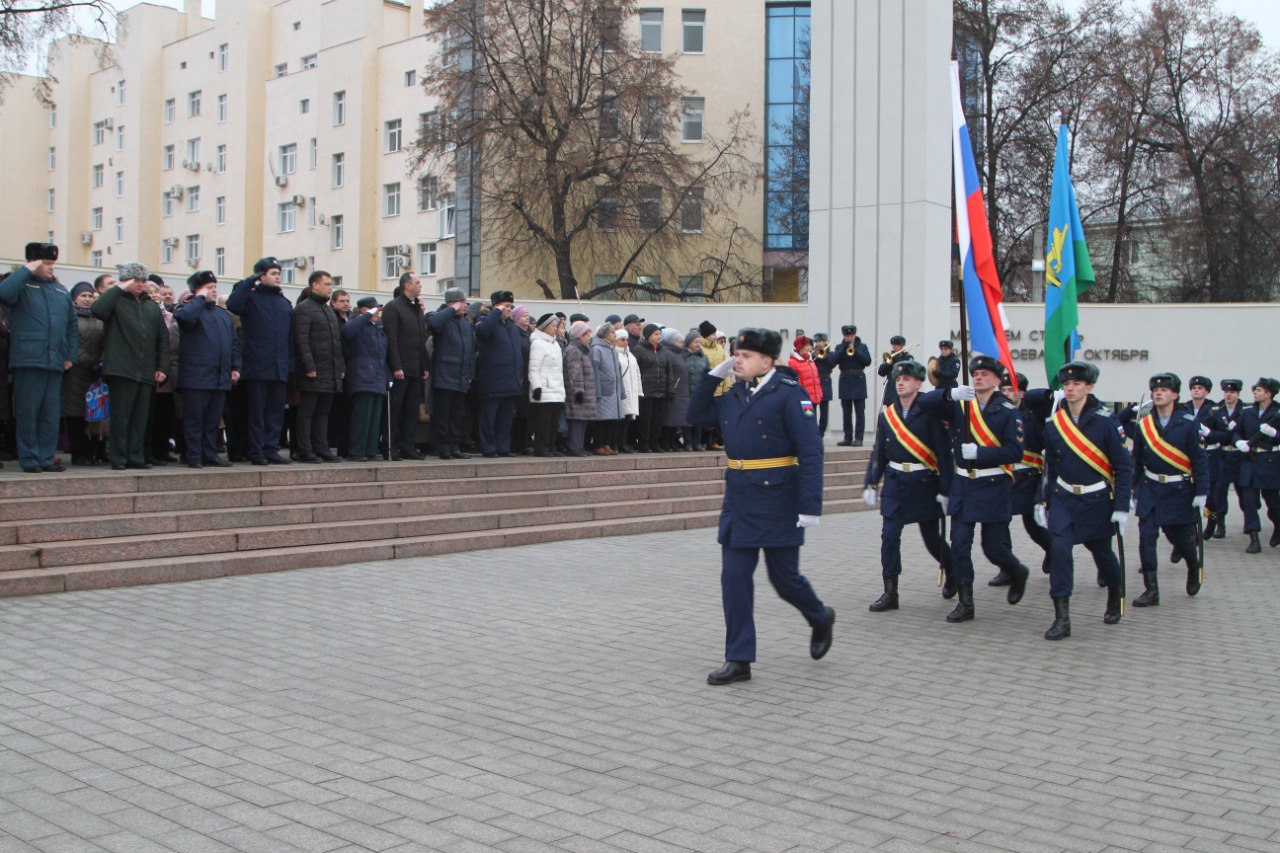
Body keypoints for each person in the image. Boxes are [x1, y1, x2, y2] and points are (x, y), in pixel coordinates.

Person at [687, 327, 834, 685]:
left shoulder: (789, 394)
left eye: (745, 356)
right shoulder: (735, 392)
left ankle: (820, 616)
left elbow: (811, 452)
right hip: (740, 498)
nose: (737, 360)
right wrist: (713, 375)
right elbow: (695, 416)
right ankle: (738, 658)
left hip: (779, 497)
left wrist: (810, 505)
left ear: (766, 361)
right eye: (736, 354)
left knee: (784, 581)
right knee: (734, 580)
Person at [915, 355, 1030, 623]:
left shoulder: (1008, 411)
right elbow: (925, 403)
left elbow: (1015, 451)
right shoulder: (961, 404)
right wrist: (949, 394)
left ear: (997, 380)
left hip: (993, 485)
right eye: (976, 374)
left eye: (985, 374)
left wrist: (981, 453)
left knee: (993, 548)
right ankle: (966, 603)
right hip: (964, 485)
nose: (978, 378)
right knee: (959, 545)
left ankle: (1017, 571)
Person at [1035, 362, 1132, 640]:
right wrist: (1041, 500)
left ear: (1089, 387)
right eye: (1067, 384)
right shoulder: (1055, 424)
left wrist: (1122, 506)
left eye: (1077, 384)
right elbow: (1049, 467)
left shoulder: (1107, 422)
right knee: (1060, 550)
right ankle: (1061, 617)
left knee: (1101, 552)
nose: (1070, 388)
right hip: (1064, 498)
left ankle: (1114, 590)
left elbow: (1123, 467)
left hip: (1097, 499)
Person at [861, 359, 954, 612]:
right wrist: (871, 482)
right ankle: (890, 592)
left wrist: (946, 490)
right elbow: (879, 453)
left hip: (924, 484)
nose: (900, 383)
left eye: (906, 379)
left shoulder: (930, 413)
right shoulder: (887, 416)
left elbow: (944, 455)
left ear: (918, 383)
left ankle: (953, 571)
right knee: (889, 537)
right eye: (898, 379)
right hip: (895, 484)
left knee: (932, 539)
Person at [1130, 372, 1208, 605]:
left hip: (1178, 490)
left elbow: (1200, 460)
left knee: (1181, 538)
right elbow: (1137, 460)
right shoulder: (1144, 424)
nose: (1158, 393)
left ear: (1174, 395)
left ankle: (1193, 565)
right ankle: (1151, 590)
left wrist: (1202, 492)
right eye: (1155, 390)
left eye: (1164, 390)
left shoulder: (1189, 423)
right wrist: (1133, 490)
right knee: (1146, 538)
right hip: (1150, 488)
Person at [0, 243, 77, 473]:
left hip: (54, 361)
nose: (51, 268)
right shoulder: (22, 286)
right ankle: (29, 458)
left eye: (53, 263)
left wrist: (69, 355)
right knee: (28, 412)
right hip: (29, 359)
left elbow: (71, 326)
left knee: (50, 415)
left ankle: (46, 457)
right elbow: (3, 293)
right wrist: (27, 269)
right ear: (34, 263)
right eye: (46, 263)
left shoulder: (60, 291)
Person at [91, 263, 170, 471]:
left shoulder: (151, 307)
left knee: (140, 419)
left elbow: (162, 340)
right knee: (121, 417)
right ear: (125, 281)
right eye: (136, 280)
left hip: (145, 370)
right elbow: (97, 310)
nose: (140, 284)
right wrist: (119, 289)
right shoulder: (116, 301)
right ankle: (118, 457)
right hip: (121, 369)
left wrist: (162, 367)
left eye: (143, 280)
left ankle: (135, 456)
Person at [226, 257, 294, 465]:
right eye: (273, 273)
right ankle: (256, 451)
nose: (278, 277)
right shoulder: (251, 298)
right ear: (261, 276)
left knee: (275, 412)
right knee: (257, 412)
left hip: (279, 366)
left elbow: (290, 338)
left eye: (279, 273)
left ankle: (271, 449)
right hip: (257, 366)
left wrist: (290, 364)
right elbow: (233, 303)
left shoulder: (284, 303)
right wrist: (251, 280)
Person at [989, 371, 1054, 585]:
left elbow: (1042, 398)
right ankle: (1007, 568)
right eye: (1003, 390)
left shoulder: (1034, 413)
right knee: (1000, 523)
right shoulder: (996, 412)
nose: (1006, 394)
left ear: (1022, 393)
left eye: (1011, 390)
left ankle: (1052, 550)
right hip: (1004, 475)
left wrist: (1048, 395)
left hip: (1029, 477)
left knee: (1033, 525)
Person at [173, 271, 239, 467]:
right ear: (198, 291)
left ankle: (209, 453)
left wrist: (235, 366)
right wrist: (199, 299)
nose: (214, 290)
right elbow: (185, 318)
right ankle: (194, 455)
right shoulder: (187, 309)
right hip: (196, 377)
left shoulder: (222, 314)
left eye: (215, 287)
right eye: (209, 287)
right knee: (194, 418)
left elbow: (232, 344)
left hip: (219, 377)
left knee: (213, 419)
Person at [292, 270, 345, 463]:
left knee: (323, 412)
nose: (331, 288)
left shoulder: (328, 310)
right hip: (313, 371)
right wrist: (309, 366)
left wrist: (340, 367)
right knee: (307, 412)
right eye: (327, 284)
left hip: (329, 370)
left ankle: (322, 448)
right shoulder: (304, 308)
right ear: (315, 285)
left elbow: (336, 343)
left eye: (331, 284)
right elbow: (302, 341)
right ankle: (304, 450)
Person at [382, 273, 430, 460]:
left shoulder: (416, 308)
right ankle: (391, 446)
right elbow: (391, 339)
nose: (420, 285)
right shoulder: (393, 307)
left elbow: (421, 339)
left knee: (412, 410)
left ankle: (408, 446)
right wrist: (396, 366)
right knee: (396, 410)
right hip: (401, 369)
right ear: (407, 286)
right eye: (417, 283)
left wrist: (425, 365)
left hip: (416, 368)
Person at [427, 287, 477, 460]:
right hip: (445, 375)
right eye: (462, 302)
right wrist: (450, 309)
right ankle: (442, 447)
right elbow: (433, 325)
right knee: (443, 414)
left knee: (457, 415)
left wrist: (470, 374)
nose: (465, 305)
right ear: (453, 303)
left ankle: (454, 446)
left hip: (461, 376)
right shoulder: (440, 317)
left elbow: (470, 351)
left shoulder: (464, 323)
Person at [475, 290, 524, 458]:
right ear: (496, 306)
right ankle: (488, 447)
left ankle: (503, 447)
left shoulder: (511, 327)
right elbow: (483, 332)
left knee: (506, 418)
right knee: (489, 417)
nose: (509, 309)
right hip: (493, 380)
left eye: (511, 306)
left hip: (511, 380)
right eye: (506, 306)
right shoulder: (486, 322)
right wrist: (496, 312)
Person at [341, 297, 390, 462]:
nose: (377, 313)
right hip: (362, 376)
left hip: (378, 377)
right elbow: (347, 331)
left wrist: (387, 376)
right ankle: (357, 450)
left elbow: (382, 355)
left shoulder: (377, 328)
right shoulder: (356, 324)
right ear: (364, 310)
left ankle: (370, 450)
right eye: (374, 309)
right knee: (362, 416)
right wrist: (366, 316)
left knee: (374, 418)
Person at [1236, 377, 1280, 554]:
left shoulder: (1278, 412)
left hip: (1270, 461)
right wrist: (1238, 442)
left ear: (1268, 394)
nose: (1255, 392)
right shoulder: (1248, 413)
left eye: (1259, 390)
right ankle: (1254, 537)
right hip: (1250, 459)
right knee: (1248, 501)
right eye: (1255, 389)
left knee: (1273, 501)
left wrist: (1275, 433)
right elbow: (1236, 432)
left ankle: (1278, 525)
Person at [62, 282, 103, 467]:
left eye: (90, 296)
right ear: (74, 298)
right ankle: (78, 452)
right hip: (76, 369)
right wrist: (80, 359)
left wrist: (100, 361)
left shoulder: (99, 316)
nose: (87, 299)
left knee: (95, 411)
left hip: (96, 370)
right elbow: (68, 341)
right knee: (76, 411)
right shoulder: (69, 316)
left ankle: (92, 450)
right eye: (83, 296)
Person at [1206, 378, 1246, 540]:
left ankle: (1248, 517)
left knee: (1243, 491)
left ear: (1238, 394)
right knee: (1219, 490)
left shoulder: (1245, 411)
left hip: (1240, 456)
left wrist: (1223, 435)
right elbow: (1211, 433)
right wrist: (1220, 435)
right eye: (1226, 392)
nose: (1229, 395)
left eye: (1232, 392)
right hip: (1222, 455)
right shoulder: (1216, 411)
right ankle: (1220, 524)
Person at [528, 313, 565, 457]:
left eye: (556, 326)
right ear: (545, 327)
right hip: (544, 389)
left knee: (553, 422)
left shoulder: (555, 344)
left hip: (556, 389)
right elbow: (534, 367)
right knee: (543, 422)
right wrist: (536, 386)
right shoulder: (538, 343)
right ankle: (541, 448)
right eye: (553, 326)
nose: (556, 329)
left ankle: (551, 446)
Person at [631, 323, 671, 452]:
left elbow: (668, 370)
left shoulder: (663, 350)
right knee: (645, 419)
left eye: (660, 334)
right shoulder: (639, 349)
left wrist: (670, 388)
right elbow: (635, 370)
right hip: (646, 391)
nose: (659, 336)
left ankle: (655, 443)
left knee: (658, 419)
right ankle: (644, 443)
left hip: (660, 390)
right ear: (648, 335)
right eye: (656, 334)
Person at [562, 320, 597, 456]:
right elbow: (575, 372)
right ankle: (574, 446)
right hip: (578, 392)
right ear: (579, 336)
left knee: (583, 419)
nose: (589, 338)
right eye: (586, 335)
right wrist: (578, 391)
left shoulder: (583, 350)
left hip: (585, 390)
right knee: (577, 419)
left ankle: (580, 446)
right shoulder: (574, 350)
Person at [590, 324, 626, 455]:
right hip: (604, 390)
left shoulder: (613, 349)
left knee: (611, 420)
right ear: (605, 334)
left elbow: (618, 372)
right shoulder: (597, 349)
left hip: (614, 390)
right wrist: (597, 391)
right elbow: (595, 372)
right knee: (601, 420)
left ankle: (607, 444)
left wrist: (622, 391)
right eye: (612, 333)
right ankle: (598, 445)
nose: (614, 335)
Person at [833, 324, 871, 446]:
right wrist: (844, 347)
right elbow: (833, 361)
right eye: (847, 336)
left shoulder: (862, 347)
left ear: (854, 335)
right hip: (845, 380)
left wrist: (856, 351)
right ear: (844, 336)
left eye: (851, 335)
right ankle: (847, 437)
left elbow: (867, 361)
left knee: (860, 412)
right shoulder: (840, 347)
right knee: (846, 412)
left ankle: (859, 438)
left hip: (858, 379)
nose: (849, 338)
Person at [659, 328, 690, 451]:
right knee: (669, 418)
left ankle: (672, 441)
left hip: (681, 391)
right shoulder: (668, 354)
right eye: (679, 342)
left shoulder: (677, 354)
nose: (681, 344)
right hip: (674, 390)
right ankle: (666, 442)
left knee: (676, 419)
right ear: (671, 341)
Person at [788, 336, 823, 435]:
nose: (808, 348)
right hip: (804, 399)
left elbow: (816, 378)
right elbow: (795, 383)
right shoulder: (793, 363)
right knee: (806, 424)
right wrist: (801, 396)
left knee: (812, 423)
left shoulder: (810, 361)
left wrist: (819, 393)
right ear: (800, 347)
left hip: (814, 397)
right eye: (806, 345)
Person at [615, 325, 642, 452]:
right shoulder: (615, 354)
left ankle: (623, 442)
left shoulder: (630, 355)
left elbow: (637, 373)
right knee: (619, 420)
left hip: (631, 391)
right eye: (622, 340)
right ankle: (617, 443)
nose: (625, 342)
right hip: (621, 391)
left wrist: (639, 391)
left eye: (626, 340)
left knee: (626, 420)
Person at [682, 331, 710, 451]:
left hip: (699, 392)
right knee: (687, 418)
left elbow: (708, 373)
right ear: (689, 342)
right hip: (686, 391)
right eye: (695, 342)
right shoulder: (682, 356)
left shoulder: (703, 357)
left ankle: (697, 442)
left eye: (699, 342)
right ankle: (688, 442)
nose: (698, 344)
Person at [877, 335, 913, 409]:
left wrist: (897, 359)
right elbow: (881, 372)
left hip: (904, 390)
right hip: (891, 391)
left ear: (901, 346)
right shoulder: (890, 357)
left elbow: (908, 370)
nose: (893, 347)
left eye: (896, 345)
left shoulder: (908, 357)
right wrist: (888, 363)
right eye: (893, 345)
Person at [811, 333, 835, 437]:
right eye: (817, 342)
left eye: (820, 341)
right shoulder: (812, 352)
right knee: (813, 408)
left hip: (825, 381)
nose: (819, 343)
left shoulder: (829, 353)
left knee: (824, 409)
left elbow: (832, 364)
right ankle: (813, 430)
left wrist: (824, 354)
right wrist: (814, 354)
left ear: (825, 342)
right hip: (814, 381)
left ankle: (821, 432)